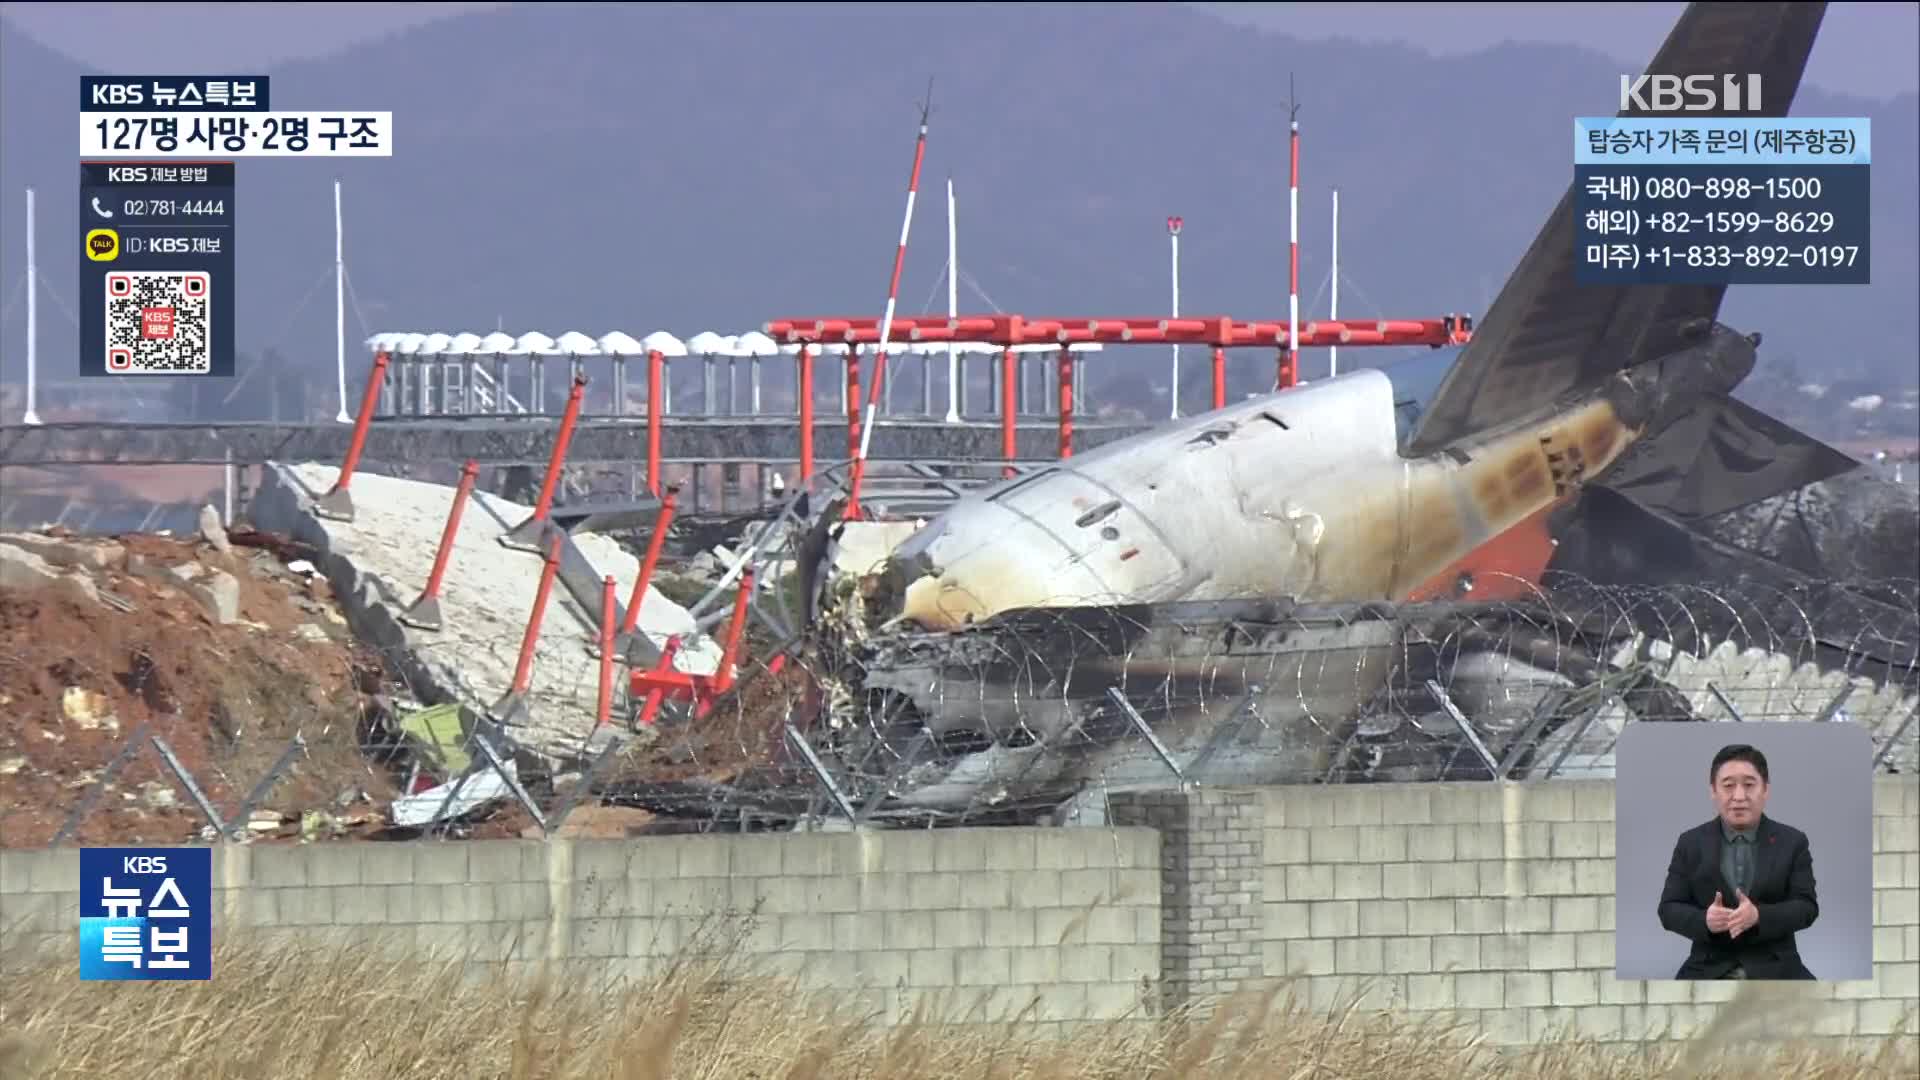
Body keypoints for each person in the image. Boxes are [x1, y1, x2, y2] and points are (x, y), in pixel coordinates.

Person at [1656, 743, 1819, 979]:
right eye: (1728, 786)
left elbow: (1807, 907)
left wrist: (1759, 916)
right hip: (1708, 966)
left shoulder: (1793, 841)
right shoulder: (1690, 843)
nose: (1739, 796)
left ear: (1765, 790)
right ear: (1713, 791)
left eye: (1749, 785)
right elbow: (1668, 909)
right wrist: (1705, 921)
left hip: (1777, 966)